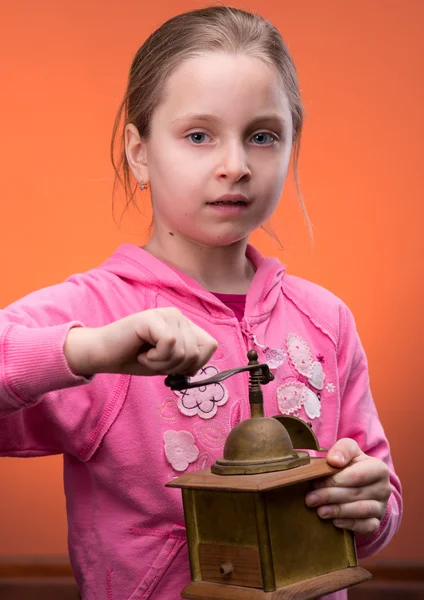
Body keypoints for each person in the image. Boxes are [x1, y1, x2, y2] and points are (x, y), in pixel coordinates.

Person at [0, 6, 401, 600]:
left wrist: (370, 505)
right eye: (198, 135)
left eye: (262, 136)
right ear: (139, 152)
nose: (234, 166)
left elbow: (376, 503)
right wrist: (91, 348)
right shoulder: (97, 311)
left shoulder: (327, 320)